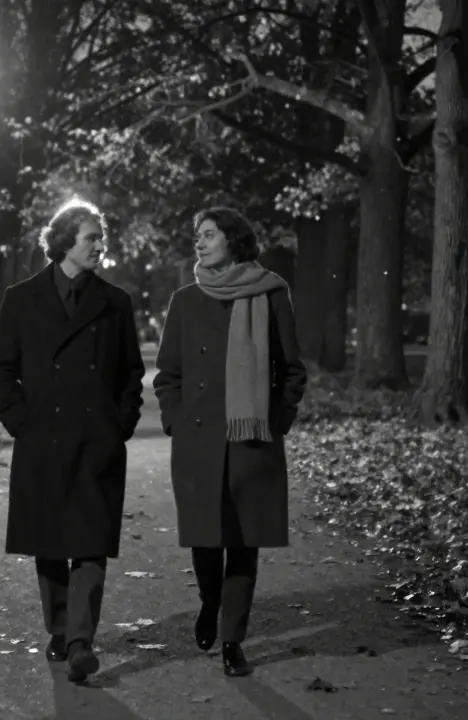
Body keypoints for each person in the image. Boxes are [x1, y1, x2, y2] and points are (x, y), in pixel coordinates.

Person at [0, 199, 145, 683]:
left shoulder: (115, 302)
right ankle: (59, 629)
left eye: (101, 237)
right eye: (91, 237)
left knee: (91, 542)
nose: (100, 245)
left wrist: (120, 422)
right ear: (63, 242)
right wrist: (21, 421)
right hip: (42, 439)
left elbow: (130, 373)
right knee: (49, 542)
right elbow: (0, 370)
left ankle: (80, 641)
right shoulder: (22, 297)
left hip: (97, 439)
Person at [153, 206, 307, 677]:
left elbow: (292, 370)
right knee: (205, 540)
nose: (200, 242)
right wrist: (177, 418)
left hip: (250, 440)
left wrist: (274, 419)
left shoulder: (272, 293)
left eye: (209, 234)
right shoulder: (185, 299)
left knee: (243, 542)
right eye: (197, 235)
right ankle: (210, 602)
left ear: (234, 240)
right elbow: (168, 374)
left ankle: (232, 640)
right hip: (199, 441)